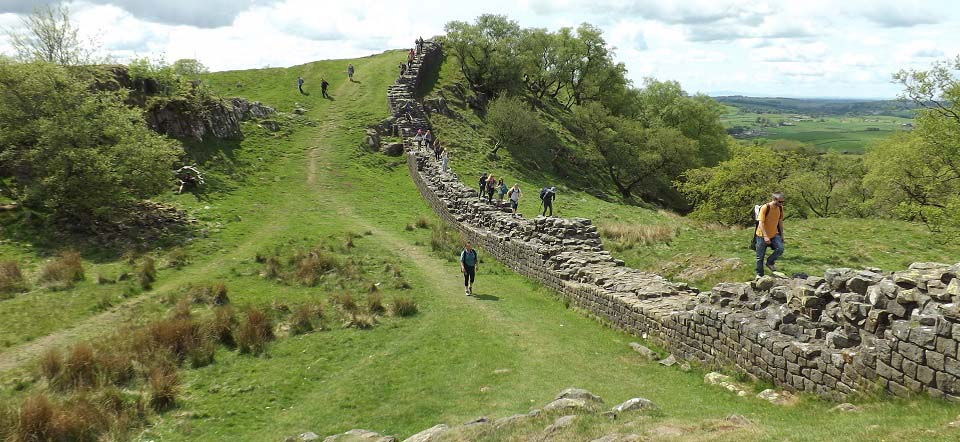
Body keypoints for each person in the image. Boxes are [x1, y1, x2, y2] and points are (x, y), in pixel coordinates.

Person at [755, 191, 786, 277]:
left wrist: (782, 235)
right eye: (779, 202)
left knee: (780, 249)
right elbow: (761, 223)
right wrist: (765, 236)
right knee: (759, 257)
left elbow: (780, 222)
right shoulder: (765, 208)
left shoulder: (780, 208)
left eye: (782, 202)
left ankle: (769, 262)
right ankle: (759, 275)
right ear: (773, 199)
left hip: (774, 234)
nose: (781, 203)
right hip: (761, 235)